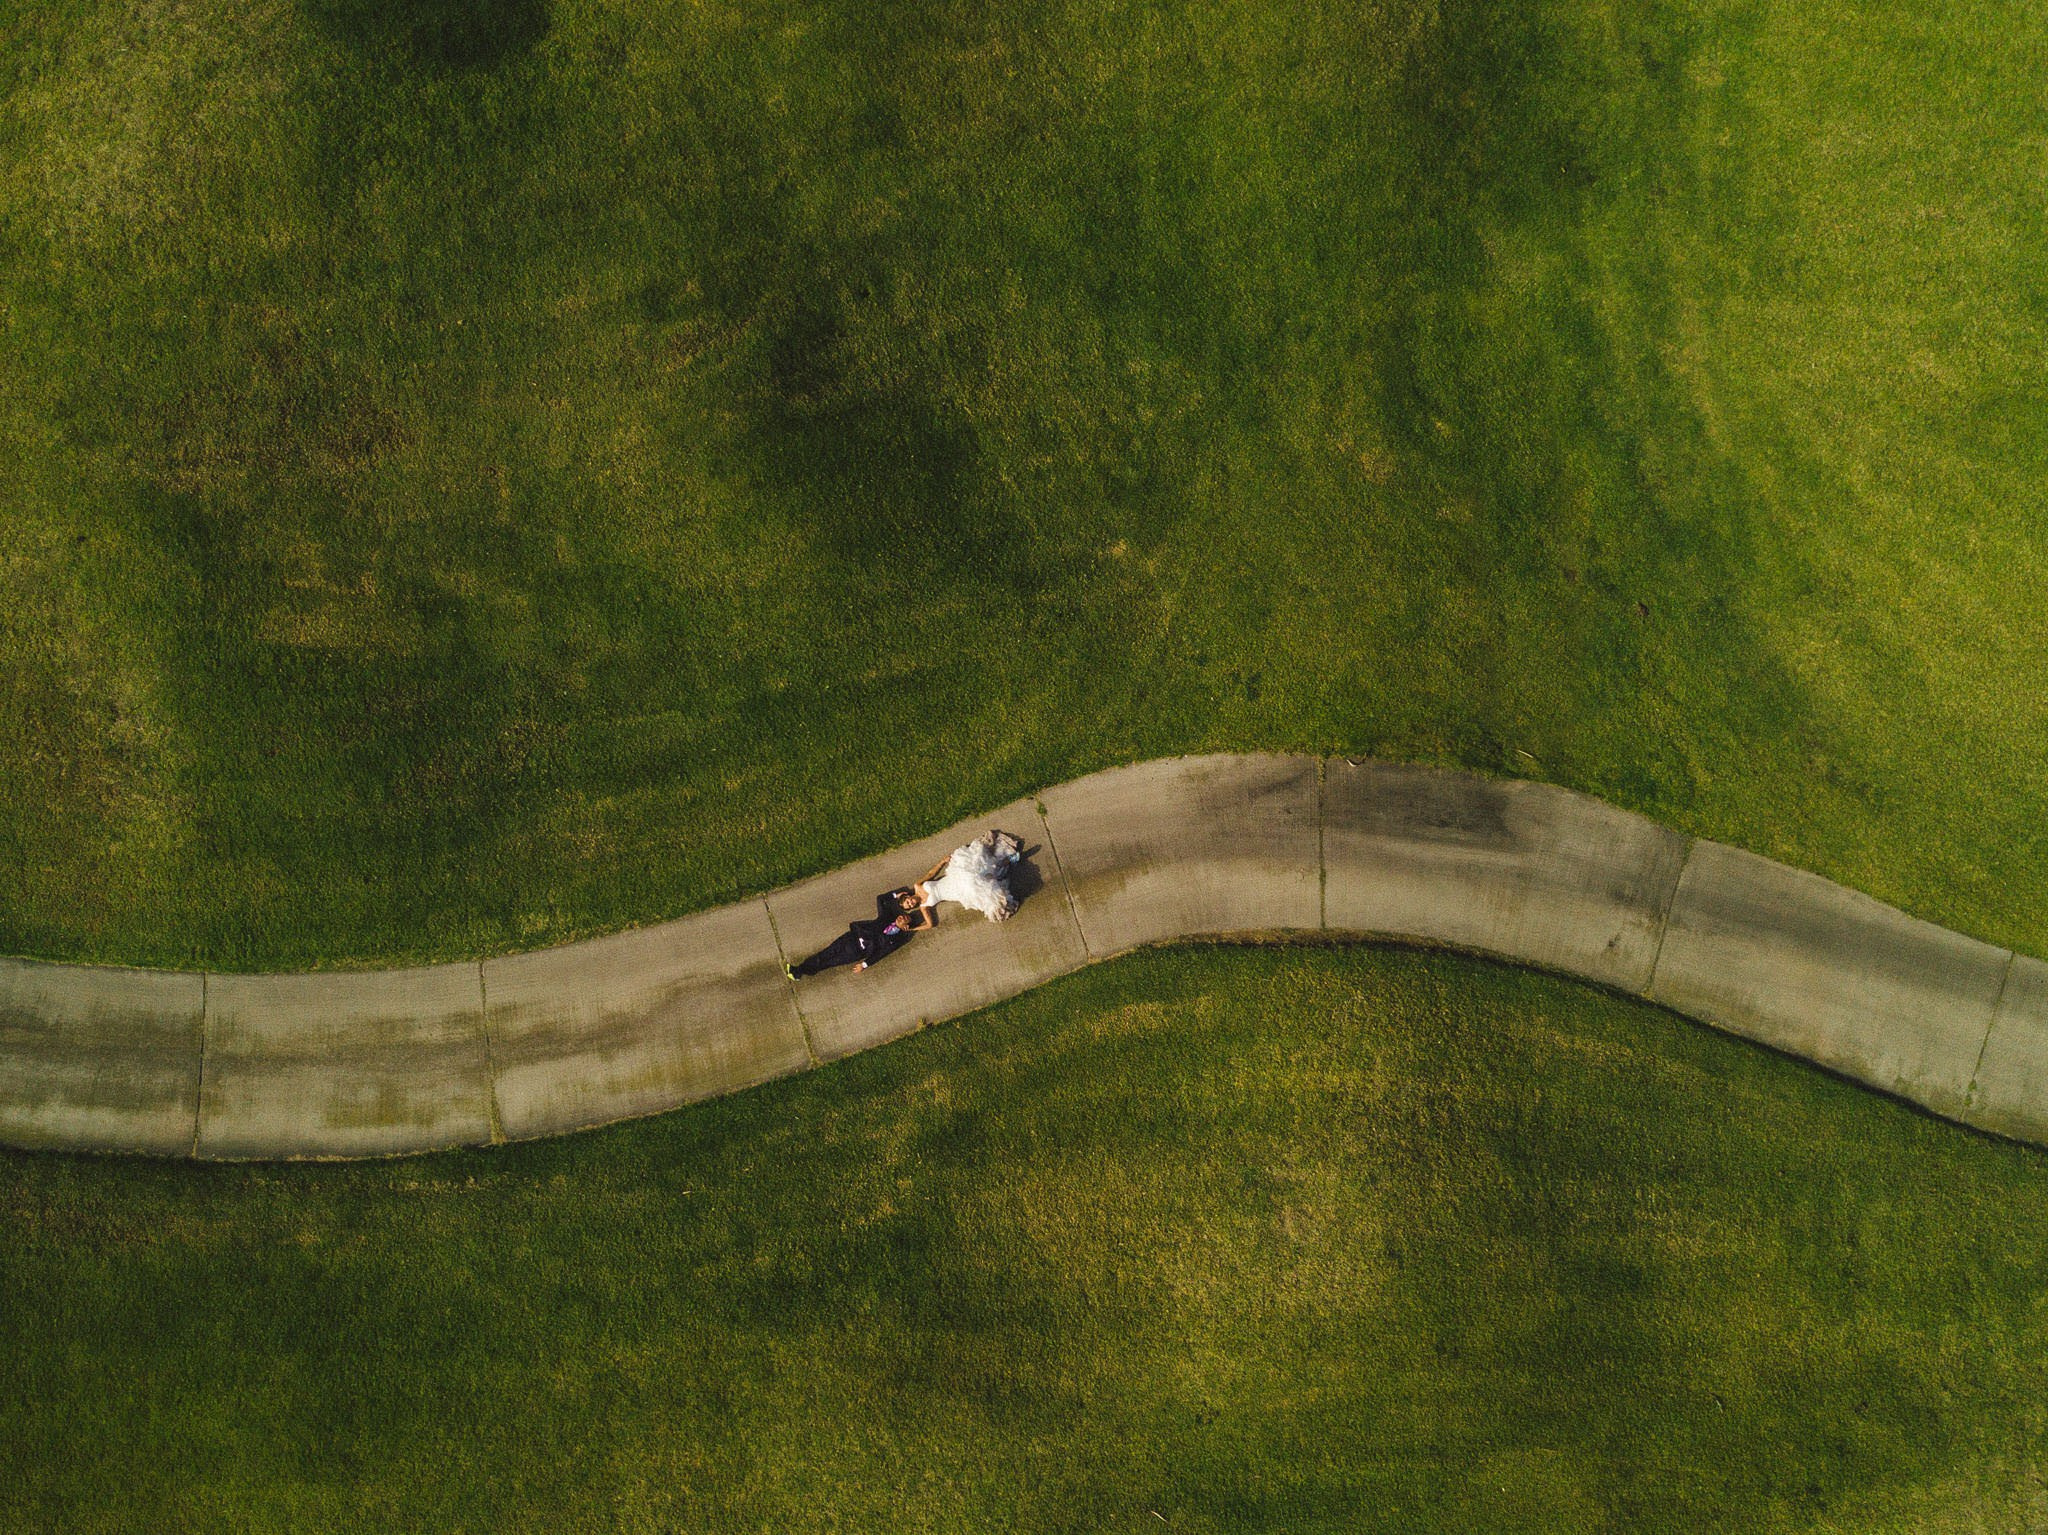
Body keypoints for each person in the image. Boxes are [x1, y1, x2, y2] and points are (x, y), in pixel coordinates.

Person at [787, 888, 931, 979]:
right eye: (903, 915)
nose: (901, 917)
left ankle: (802, 971)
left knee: (830, 962)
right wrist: (895, 895)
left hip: (857, 952)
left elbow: (881, 953)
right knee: (825, 954)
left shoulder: (896, 939)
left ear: (905, 927)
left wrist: (865, 964)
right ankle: (798, 970)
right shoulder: (887, 917)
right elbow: (880, 899)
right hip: (852, 937)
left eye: (905, 919)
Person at [914, 830, 1025, 923]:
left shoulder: (917, 886)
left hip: (952, 878)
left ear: (907, 896)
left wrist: (942, 862)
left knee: (978, 871)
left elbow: (930, 874)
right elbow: (930, 924)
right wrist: (913, 928)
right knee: (981, 886)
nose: (910, 903)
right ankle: (1008, 861)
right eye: (910, 906)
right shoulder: (923, 906)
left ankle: (1006, 860)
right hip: (955, 893)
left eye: (907, 902)